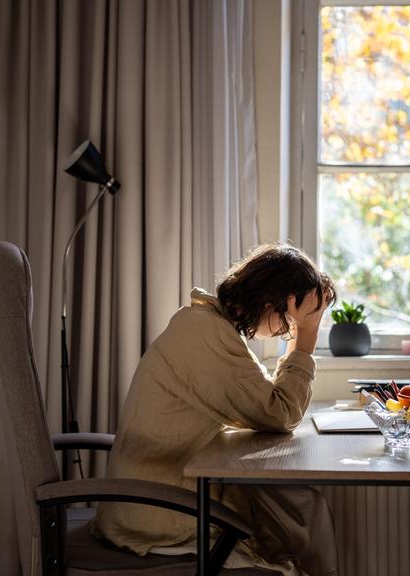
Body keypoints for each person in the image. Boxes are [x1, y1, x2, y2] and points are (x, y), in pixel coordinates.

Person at [94, 243, 338, 576]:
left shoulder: (208, 324)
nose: (288, 329)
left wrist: (300, 332)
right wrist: (305, 337)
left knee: (299, 509)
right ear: (273, 302)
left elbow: (267, 404)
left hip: (156, 493)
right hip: (156, 512)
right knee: (302, 512)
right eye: (293, 316)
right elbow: (280, 413)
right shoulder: (207, 333)